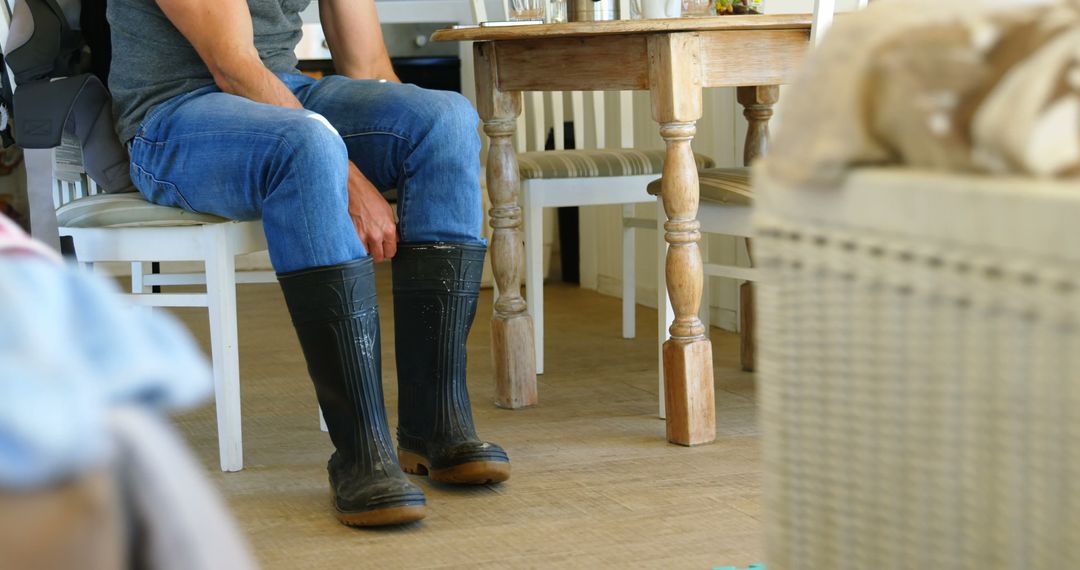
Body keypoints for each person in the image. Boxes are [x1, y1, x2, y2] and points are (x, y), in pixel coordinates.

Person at [107, 0, 509, 527]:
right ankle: (361, 453)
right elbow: (232, 63)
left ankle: (436, 425)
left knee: (445, 118)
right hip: (173, 119)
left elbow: (368, 67)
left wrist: (421, 150)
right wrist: (352, 181)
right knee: (307, 142)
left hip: (282, 91)